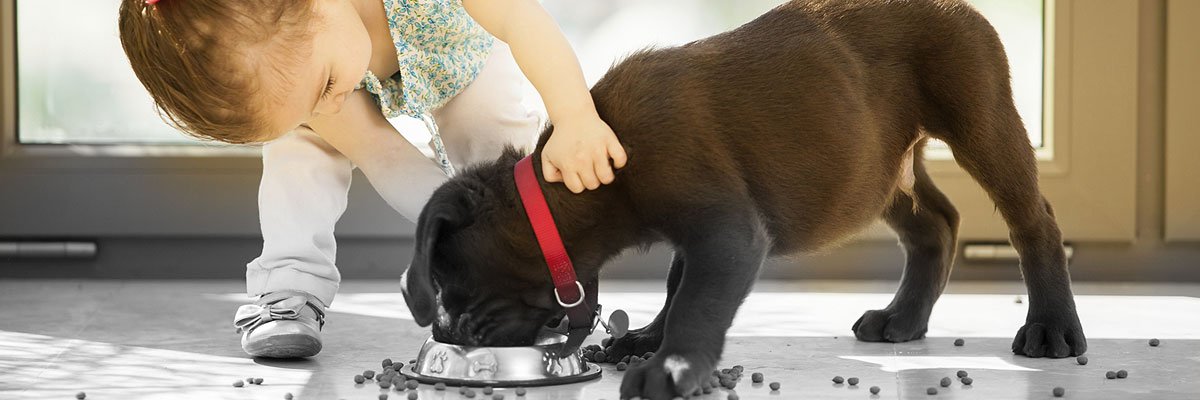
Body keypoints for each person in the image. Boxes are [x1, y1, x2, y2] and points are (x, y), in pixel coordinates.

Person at [118, 0, 627, 358]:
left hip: (462, 56)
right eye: (312, 104)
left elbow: (521, 17)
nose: (329, 107)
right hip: (344, 62)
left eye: (324, 88)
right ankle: (287, 290)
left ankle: (533, 277)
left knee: (495, 151)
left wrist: (575, 115)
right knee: (300, 149)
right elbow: (382, 153)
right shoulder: (313, 76)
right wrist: (454, 233)